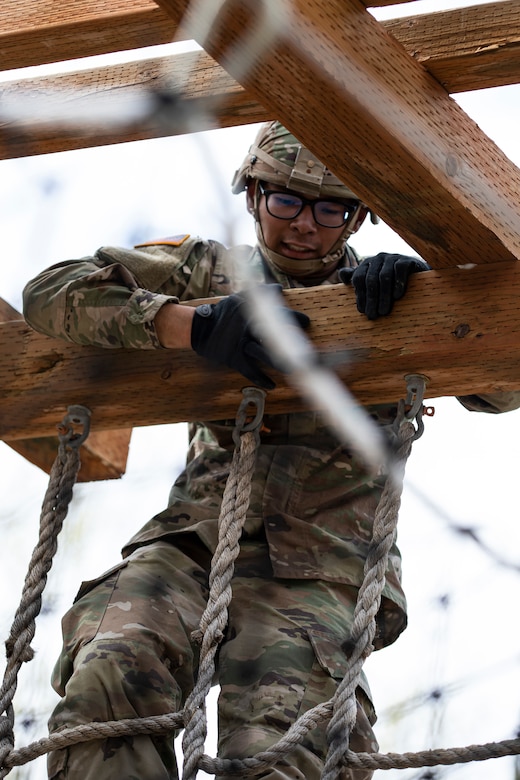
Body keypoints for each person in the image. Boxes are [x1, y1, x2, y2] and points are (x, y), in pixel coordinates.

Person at [22, 121, 520, 780]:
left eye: (329, 209)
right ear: (253, 195)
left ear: (358, 216)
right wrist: (191, 325)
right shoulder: (209, 271)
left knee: (280, 747)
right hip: (193, 542)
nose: (305, 226)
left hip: (320, 567)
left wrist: (432, 300)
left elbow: (501, 388)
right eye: (285, 201)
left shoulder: (388, 295)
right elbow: (50, 294)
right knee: (111, 672)